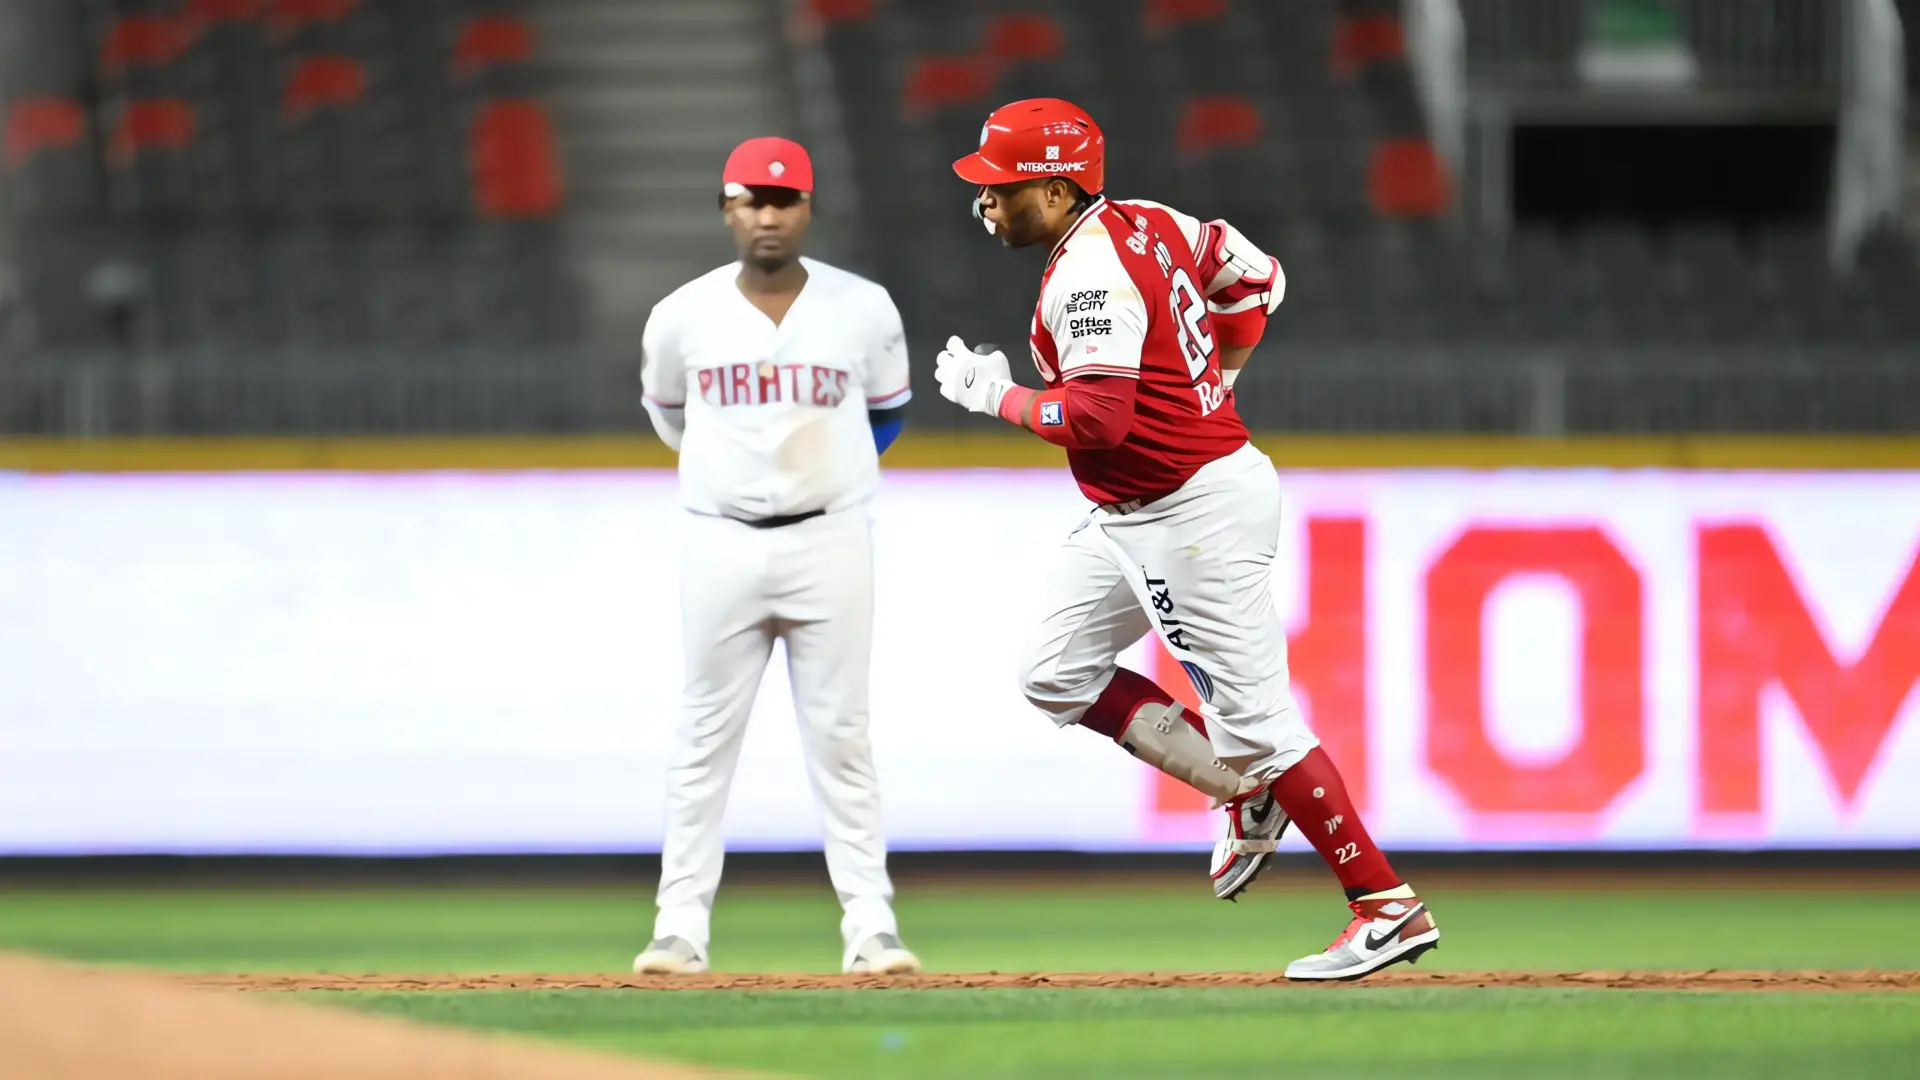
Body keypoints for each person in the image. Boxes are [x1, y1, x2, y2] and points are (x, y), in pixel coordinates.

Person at [936, 98, 1438, 981]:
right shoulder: (1154, 221)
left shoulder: (1089, 272)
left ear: (1055, 191)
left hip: (1188, 515)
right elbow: (1257, 284)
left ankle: (1385, 906)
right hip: (1140, 509)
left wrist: (997, 397)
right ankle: (1241, 793)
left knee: (1261, 725)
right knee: (1053, 670)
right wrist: (1217, 385)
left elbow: (1095, 416)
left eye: (1002, 187)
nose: (987, 203)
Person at [633, 136, 918, 977]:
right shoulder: (680, 314)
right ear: (727, 208)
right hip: (719, 536)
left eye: (783, 199)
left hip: (830, 535)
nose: (768, 214)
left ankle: (871, 928)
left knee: (843, 736)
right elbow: (670, 417)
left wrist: (825, 472)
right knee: (702, 736)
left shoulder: (863, 307)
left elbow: (887, 417)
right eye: (753, 199)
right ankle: (678, 928)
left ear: (807, 209)